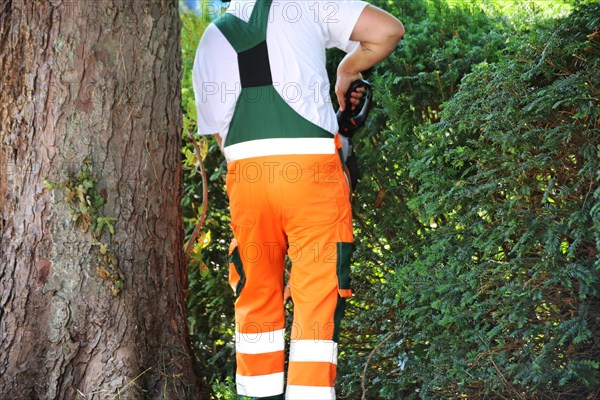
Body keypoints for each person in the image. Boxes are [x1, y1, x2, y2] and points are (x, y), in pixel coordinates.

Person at [192, 1, 404, 399]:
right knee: (317, 296)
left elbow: (224, 140)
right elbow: (387, 30)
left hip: (248, 178)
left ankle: (259, 394)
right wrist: (347, 69)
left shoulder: (210, 39)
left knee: (256, 293)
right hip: (311, 175)